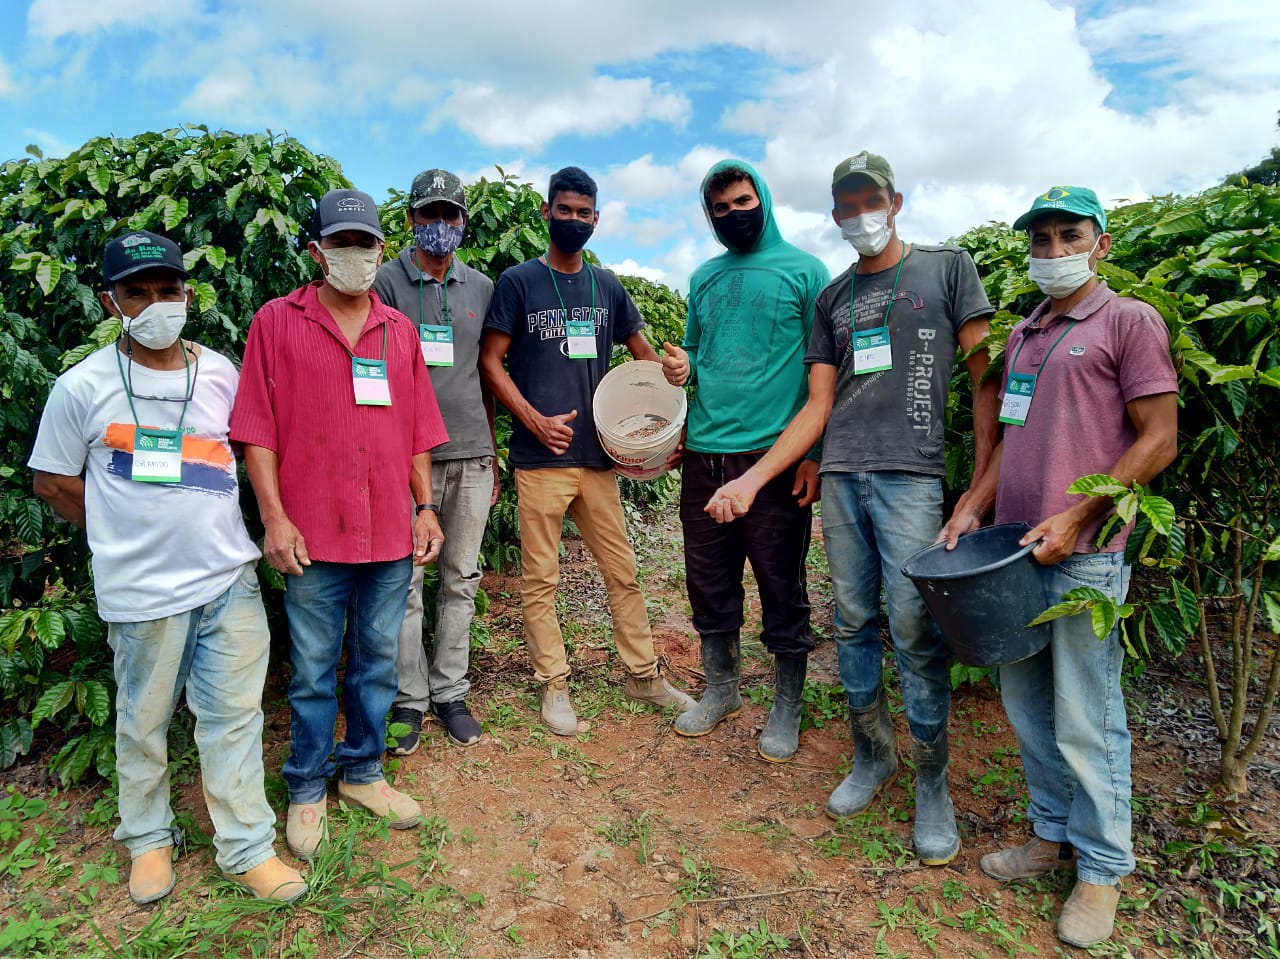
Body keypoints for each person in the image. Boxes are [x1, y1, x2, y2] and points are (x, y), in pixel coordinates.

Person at [706, 152, 999, 866]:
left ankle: (934, 784)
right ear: (835, 214)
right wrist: (762, 474)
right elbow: (820, 405)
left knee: (913, 622)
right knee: (853, 619)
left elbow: (985, 379)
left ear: (895, 200)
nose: (859, 213)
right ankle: (874, 754)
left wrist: (984, 481)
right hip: (841, 479)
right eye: (846, 203)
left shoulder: (946, 268)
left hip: (912, 479)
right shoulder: (833, 299)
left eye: (870, 198)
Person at [29, 231, 306, 903]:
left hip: (226, 579)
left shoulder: (218, 371)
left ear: (188, 294)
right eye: (137, 292)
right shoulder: (82, 386)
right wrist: (120, 532)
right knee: (142, 719)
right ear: (110, 301)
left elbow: (244, 450)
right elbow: (52, 482)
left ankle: (246, 847)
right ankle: (149, 838)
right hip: (143, 593)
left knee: (234, 716)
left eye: (167, 289)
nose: (156, 303)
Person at [958, 186, 1177, 948]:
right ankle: (1049, 833)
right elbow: (1010, 442)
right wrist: (971, 506)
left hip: (1085, 558)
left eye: (1068, 235)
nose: (1053, 250)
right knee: (1027, 709)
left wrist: (1079, 514)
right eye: (1041, 238)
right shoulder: (1024, 334)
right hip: (1015, 555)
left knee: (1088, 716)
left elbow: (1160, 437)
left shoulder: (1128, 321)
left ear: (1101, 244)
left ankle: (1103, 867)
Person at [230, 188, 448, 860]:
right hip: (314, 533)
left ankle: (362, 771)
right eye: (342, 243)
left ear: (383, 250)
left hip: (387, 528)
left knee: (378, 661)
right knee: (315, 669)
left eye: (366, 244)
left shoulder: (400, 331)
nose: (355, 255)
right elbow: (256, 431)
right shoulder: (276, 322)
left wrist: (427, 506)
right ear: (316, 250)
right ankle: (304, 786)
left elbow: (416, 431)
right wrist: (274, 517)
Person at [479, 165, 694, 735]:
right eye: (564, 209)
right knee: (541, 578)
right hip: (540, 459)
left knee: (622, 571)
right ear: (547, 212)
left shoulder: (608, 287)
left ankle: (643, 674)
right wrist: (531, 419)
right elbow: (490, 361)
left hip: (597, 460)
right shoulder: (518, 282)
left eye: (584, 212)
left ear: (596, 220)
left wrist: (673, 373)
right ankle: (554, 686)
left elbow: (647, 360)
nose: (574, 220)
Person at [659, 160, 830, 762]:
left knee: (781, 582)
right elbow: (699, 353)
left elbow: (825, 376)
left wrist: (812, 454)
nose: (734, 214)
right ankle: (723, 688)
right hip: (706, 453)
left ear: (764, 197)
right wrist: (684, 366)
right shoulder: (704, 277)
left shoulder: (807, 272)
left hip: (775, 457)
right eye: (721, 209)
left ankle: (787, 703)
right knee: (708, 580)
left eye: (742, 200)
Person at [373, 169, 496, 753]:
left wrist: (493, 454)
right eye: (429, 215)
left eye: (450, 216)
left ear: (463, 222)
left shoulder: (481, 287)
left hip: (471, 453)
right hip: (405, 460)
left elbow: (490, 374)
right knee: (405, 583)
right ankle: (408, 699)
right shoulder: (384, 284)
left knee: (461, 581)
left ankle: (450, 692)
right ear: (410, 221)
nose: (440, 227)